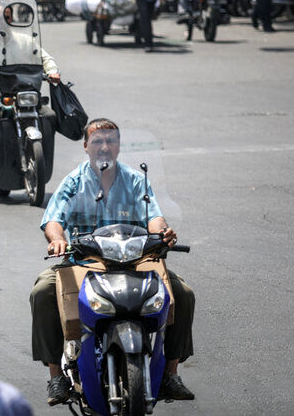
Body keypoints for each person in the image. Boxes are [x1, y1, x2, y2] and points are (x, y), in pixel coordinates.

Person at [30, 118, 196, 406]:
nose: (104, 146)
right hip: (84, 262)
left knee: (183, 294)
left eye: (111, 141)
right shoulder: (74, 182)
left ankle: (170, 373)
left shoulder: (135, 180)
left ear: (118, 146)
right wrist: (56, 238)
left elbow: (154, 216)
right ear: (86, 146)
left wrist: (162, 232)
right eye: (97, 141)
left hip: (135, 260)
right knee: (43, 292)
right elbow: (53, 220)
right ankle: (56, 377)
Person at [0, 8, 60, 180]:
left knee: (50, 116)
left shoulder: (26, 41)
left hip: (24, 94)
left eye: (7, 18)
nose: (4, 21)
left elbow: (45, 58)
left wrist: (52, 72)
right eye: (0, 18)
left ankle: (44, 160)